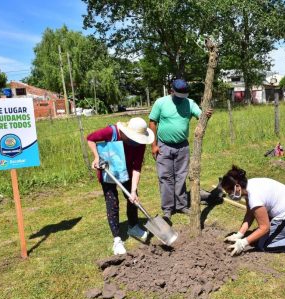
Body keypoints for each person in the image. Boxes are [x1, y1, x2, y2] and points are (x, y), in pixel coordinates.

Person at [87, 117, 154, 255]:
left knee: (133, 199)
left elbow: (136, 167)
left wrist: (134, 190)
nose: (136, 141)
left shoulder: (140, 143)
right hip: (109, 172)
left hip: (127, 173)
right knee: (112, 203)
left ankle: (133, 226)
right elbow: (90, 138)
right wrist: (96, 157)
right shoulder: (111, 132)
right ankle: (117, 239)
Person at [149, 79, 213, 220]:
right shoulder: (161, 102)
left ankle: (181, 205)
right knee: (165, 177)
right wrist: (153, 145)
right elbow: (152, 123)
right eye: (178, 95)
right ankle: (167, 208)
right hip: (163, 146)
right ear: (171, 91)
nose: (180, 99)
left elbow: (200, 115)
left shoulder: (190, 103)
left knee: (181, 176)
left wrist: (206, 113)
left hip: (182, 146)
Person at [221, 165, 285, 259]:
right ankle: (283, 233)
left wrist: (243, 243)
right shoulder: (249, 186)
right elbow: (250, 213)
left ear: (237, 187)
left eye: (229, 192)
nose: (230, 195)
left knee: (266, 245)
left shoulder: (254, 198)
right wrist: (240, 234)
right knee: (259, 239)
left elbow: (264, 228)